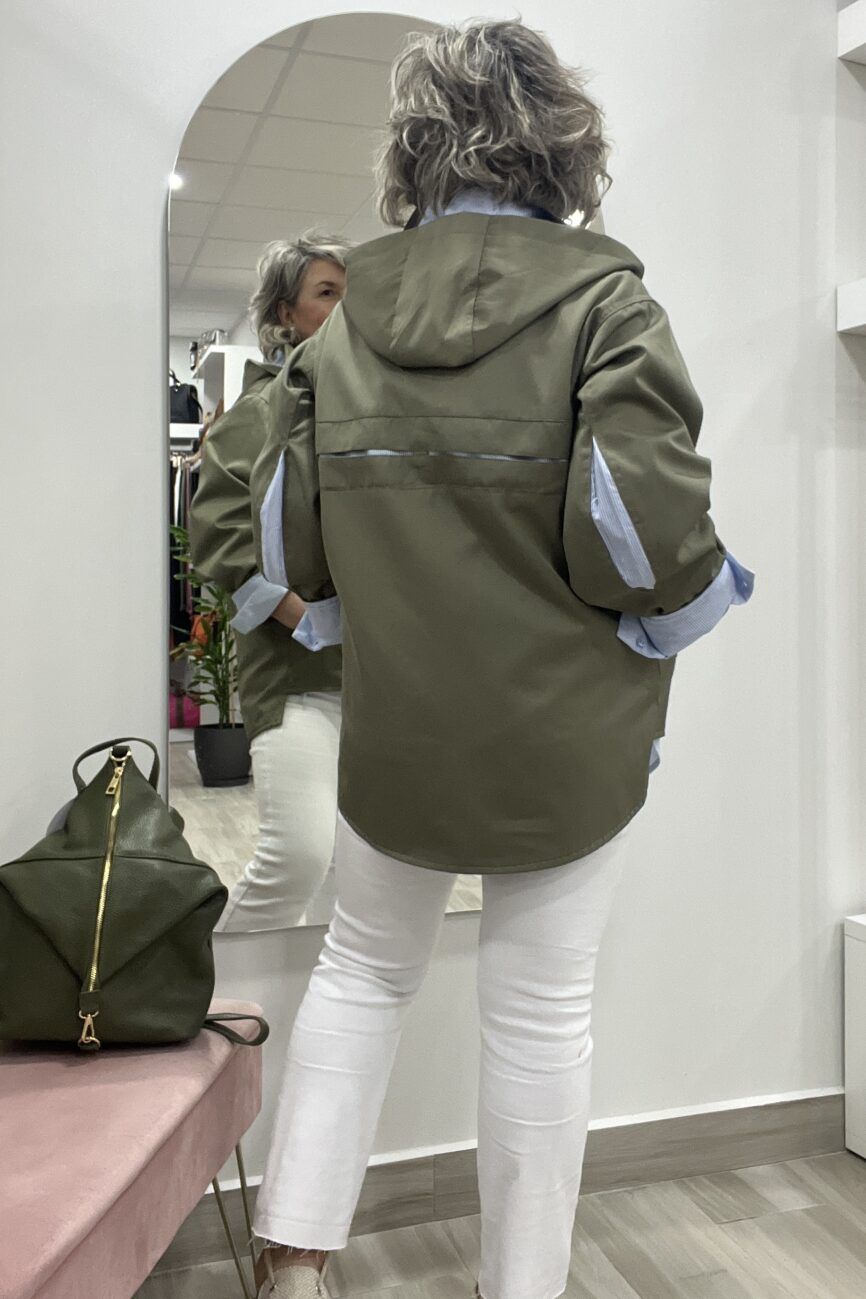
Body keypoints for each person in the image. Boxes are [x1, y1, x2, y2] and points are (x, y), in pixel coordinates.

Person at [247, 19, 754, 1299]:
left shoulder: (338, 329)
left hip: (394, 721)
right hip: (560, 732)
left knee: (360, 974)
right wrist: (675, 620)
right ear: (562, 146)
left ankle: (295, 1267)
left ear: (413, 148)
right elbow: (638, 540)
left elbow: (291, 541)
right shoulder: (605, 308)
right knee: (539, 1013)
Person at [188, 233, 353, 933]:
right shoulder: (257, 413)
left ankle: (310, 993)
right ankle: (214, 982)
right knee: (298, 857)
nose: (345, 307)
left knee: (354, 873)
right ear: (286, 313)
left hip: (377, 676)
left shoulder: (367, 407)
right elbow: (219, 537)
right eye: (327, 293)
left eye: (352, 293)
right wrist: (302, 617)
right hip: (294, 673)